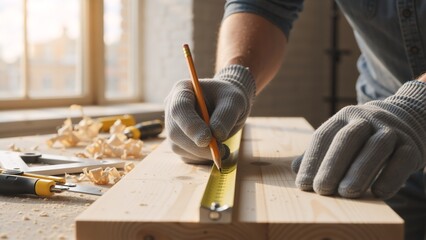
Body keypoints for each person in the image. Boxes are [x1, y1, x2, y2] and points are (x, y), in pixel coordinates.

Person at [164, 1, 426, 239]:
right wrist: (234, 76)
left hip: (398, 122)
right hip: (381, 144)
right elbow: (265, 5)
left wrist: (417, 104)